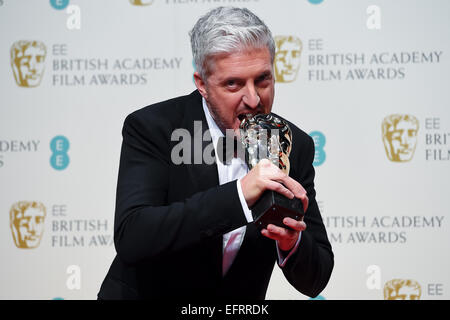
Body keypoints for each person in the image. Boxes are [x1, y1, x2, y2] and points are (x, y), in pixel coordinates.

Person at [98, 6, 333, 300]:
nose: (253, 99)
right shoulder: (154, 128)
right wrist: (239, 195)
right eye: (233, 84)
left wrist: (291, 243)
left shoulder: (291, 143)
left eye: (263, 79)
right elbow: (133, 236)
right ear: (202, 85)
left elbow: (317, 278)